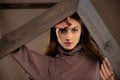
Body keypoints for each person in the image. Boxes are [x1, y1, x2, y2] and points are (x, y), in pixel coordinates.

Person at [11, 13, 114, 80]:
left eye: (74, 30)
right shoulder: (47, 66)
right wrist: (46, 23)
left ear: (82, 32)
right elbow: (9, 43)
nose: (68, 37)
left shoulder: (97, 62)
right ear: (55, 32)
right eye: (62, 30)